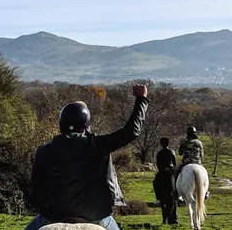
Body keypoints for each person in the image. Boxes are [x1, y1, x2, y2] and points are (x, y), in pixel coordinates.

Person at [25, 84, 150, 230]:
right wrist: (141, 99)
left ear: (61, 123)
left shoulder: (43, 150)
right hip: (97, 218)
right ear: (86, 124)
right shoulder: (97, 145)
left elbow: (35, 189)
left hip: (52, 217)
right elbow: (132, 131)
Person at [175, 126, 208, 200]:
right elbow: (202, 155)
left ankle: (175, 192)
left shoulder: (184, 141)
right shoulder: (199, 142)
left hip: (186, 163)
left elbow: (180, 153)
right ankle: (206, 192)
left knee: (176, 174)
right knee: (205, 174)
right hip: (197, 163)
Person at [153, 137, 178, 225]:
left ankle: (158, 198)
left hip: (162, 174)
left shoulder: (159, 153)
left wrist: (163, 169)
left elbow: (158, 165)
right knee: (174, 192)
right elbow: (175, 164)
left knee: (155, 183)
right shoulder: (172, 152)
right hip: (170, 175)